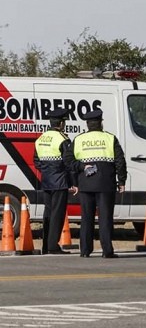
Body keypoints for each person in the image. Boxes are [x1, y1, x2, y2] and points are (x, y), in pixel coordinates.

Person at [72, 109, 126, 258]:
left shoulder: (79, 139)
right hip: (105, 184)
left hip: (85, 184)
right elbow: (120, 161)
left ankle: (85, 251)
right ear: (101, 123)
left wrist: (80, 168)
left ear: (87, 124)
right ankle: (107, 251)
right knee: (105, 218)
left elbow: (68, 160)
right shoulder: (110, 138)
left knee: (86, 218)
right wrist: (121, 180)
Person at [33, 107, 78, 254]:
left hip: (46, 181)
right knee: (57, 215)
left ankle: (46, 246)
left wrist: (48, 171)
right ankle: (53, 246)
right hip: (60, 182)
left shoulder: (41, 138)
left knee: (48, 213)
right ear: (61, 123)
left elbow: (36, 162)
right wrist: (73, 183)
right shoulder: (63, 139)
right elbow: (68, 163)